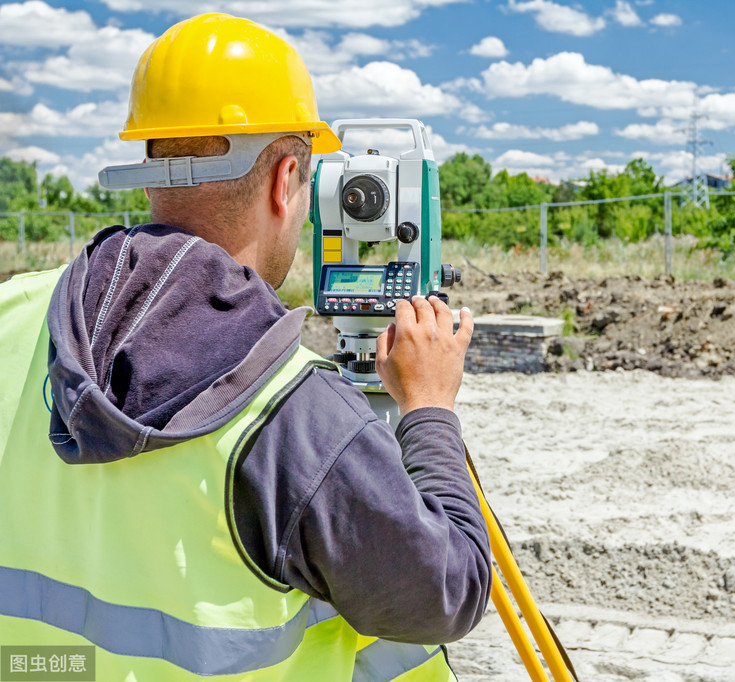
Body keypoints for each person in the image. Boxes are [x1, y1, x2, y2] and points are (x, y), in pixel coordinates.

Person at [0, 13, 490, 680]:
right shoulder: (295, 413)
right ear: (287, 178)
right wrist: (428, 409)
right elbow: (444, 594)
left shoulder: (15, 314)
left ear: (151, 168)